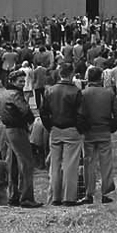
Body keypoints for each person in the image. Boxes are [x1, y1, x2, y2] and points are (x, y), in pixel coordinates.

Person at [40, 72, 84, 205]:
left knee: (55, 165)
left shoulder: (50, 91)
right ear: (71, 75)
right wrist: (80, 128)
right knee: (70, 165)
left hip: (55, 129)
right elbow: (81, 113)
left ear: (60, 74)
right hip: (71, 129)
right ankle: (69, 198)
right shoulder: (76, 91)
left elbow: (43, 111)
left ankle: (55, 197)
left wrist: (50, 126)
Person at [78, 69, 117, 204]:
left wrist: (83, 129)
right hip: (104, 131)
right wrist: (112, 127)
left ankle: (89, 193)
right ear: (101, 78)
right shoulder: (109, 93)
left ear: (88, 78)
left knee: (88, 163)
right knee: (106, 163)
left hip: (89, 132)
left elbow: (78, 114)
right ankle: (106, 192)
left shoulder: (83, 94)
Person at [0, 75, 40, 207]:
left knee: (13, 163)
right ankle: (27, 197)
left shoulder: (4, 93)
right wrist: (31, 120)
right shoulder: (16, 94)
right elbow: (25, 110)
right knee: (27, 163)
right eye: (20, 81)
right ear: (13, 81)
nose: (22, 83)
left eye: (23, 81)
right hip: (17, 129)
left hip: (7, 130)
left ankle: (14, 195)